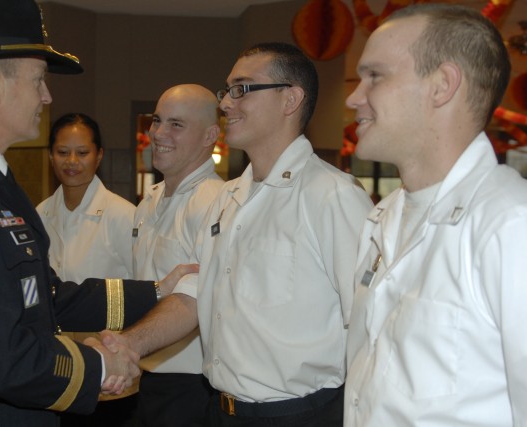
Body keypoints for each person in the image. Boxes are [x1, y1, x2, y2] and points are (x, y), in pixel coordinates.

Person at [0, 0, 193, 425]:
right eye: (39, 80)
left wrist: (155, 292)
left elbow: (45, 298)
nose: (47, 96)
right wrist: (102, 366)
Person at [104, 42, 373, 426]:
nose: (227, 103)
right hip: (221, 410)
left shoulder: (332, 197)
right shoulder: (227, 198)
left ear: (290, 99)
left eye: (242, 89)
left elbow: (369, 322)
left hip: (299, 414)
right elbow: (193, 296)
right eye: (226, 91)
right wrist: (129, 343)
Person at [344, 4, 527, 426]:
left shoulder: (509, 225)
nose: (354, 96)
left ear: (442, 85)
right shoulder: (381, 219)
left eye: (375, 76)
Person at [37, 113, 138, 426]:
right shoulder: (40, 214)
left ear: (99, 156)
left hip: (109, 368)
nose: (72, 161)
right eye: (62, 152)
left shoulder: (123, 215)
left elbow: (142, 291)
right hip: (55, 365)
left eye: (82, 153)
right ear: (51, 155)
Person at [132, 84, 224, 426]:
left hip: (191, 387)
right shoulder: (147, 202)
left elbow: (198, 301)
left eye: (176, 124)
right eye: (157, 120)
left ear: (209, 136)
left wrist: (128, 346)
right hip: (146, 377)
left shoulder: (215, 201)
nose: (158, 133)